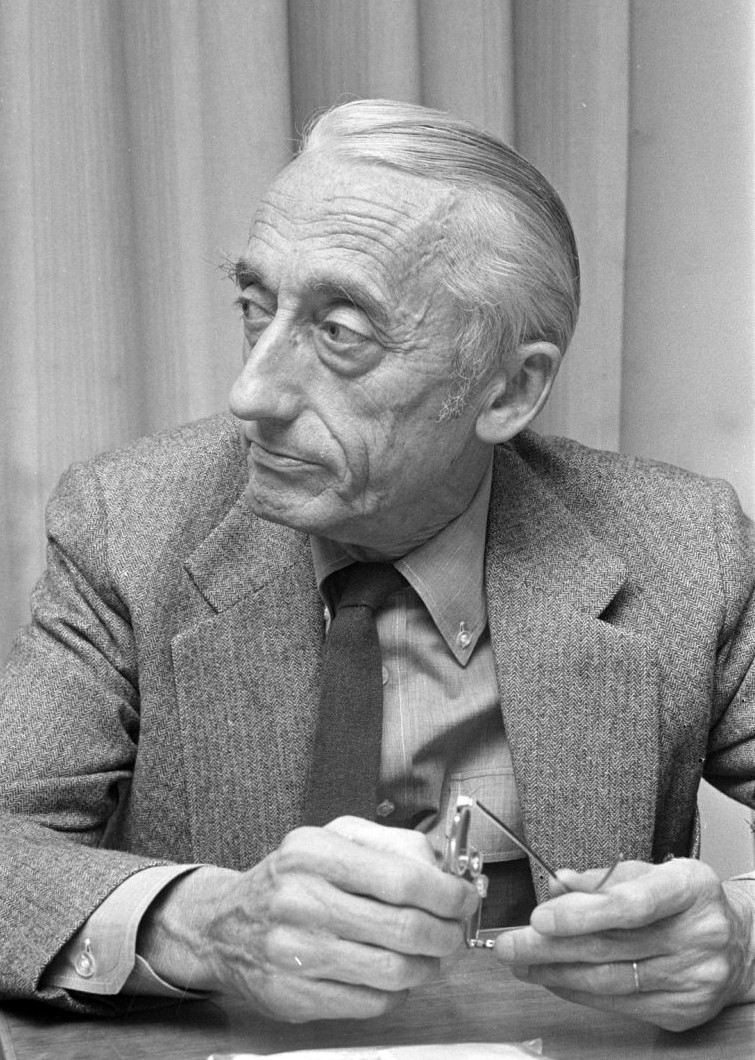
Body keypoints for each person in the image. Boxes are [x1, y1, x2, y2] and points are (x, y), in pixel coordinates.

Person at [0, 99, 753, 1033]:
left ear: (509, 389)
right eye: (255, 309)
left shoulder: (681, 543)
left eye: (341, 333)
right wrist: (205, 925)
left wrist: (739, 938)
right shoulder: (130, 522)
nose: (251, 393)